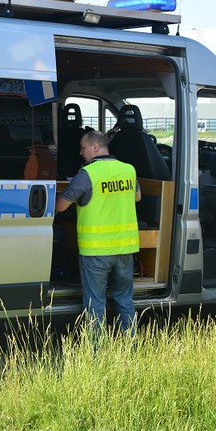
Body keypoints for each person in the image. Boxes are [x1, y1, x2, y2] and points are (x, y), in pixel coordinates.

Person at [55, 129, 141, 334]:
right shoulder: (128, 169)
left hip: (96, 252)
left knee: (95, 303)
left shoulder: (87, 174)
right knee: (124, 299)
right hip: (124, 249)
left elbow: (60, 206)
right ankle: (131, 345)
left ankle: (96, 352)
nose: (81, 153)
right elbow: (137, 197)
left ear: (95, 147)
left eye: (83, 148)